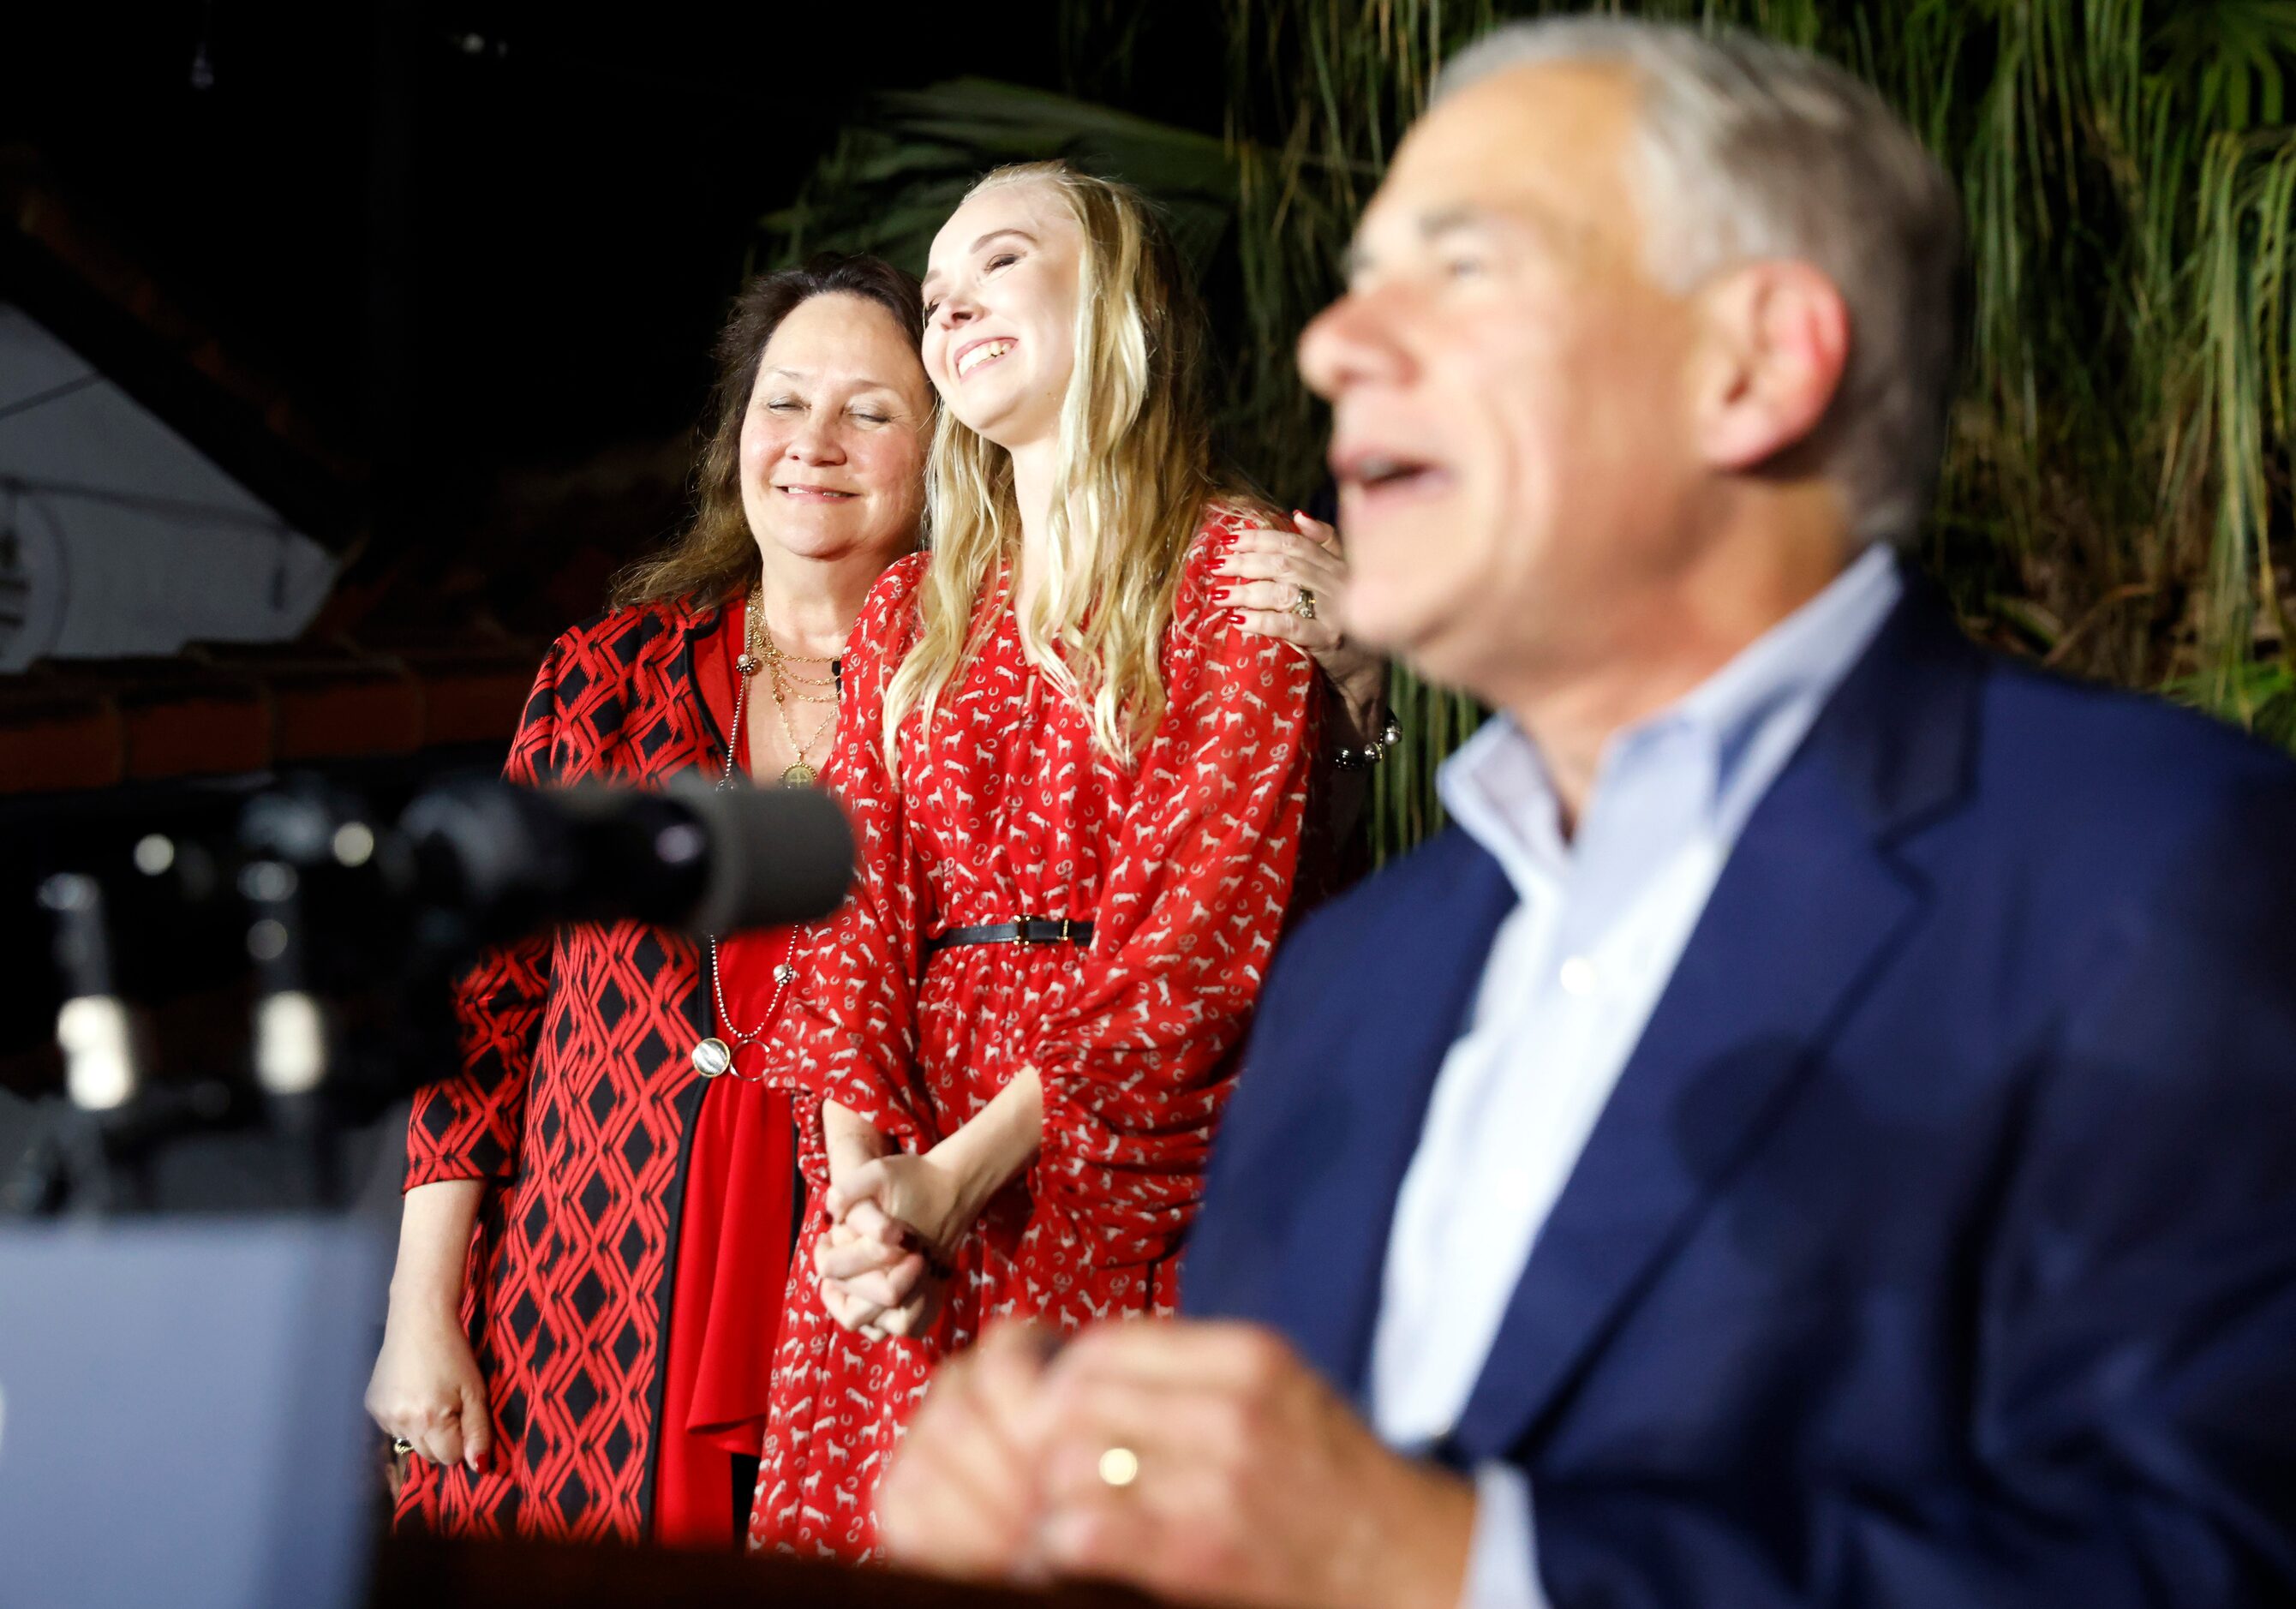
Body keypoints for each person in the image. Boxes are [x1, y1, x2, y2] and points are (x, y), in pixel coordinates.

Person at [876, 19, 2296, 1608]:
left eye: (1462, 271)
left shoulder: (2157, 873)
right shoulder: (1359, 985)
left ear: (1755, 363)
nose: (1340, 344)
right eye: (1357, 287)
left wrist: (1463, 1567)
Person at [744, 161, 1329, 1562]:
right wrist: (865, 1201)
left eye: (997, 263)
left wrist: (959, 1177)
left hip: (1116, 1171)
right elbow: (850, 913)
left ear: (1116, 304)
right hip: (902, 1207)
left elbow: (1192, 961)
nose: (951, 306)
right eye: (938, 293)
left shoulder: (1231, 580)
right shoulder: (911, 607)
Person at [367, 254, 935, 1546]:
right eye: (784, 402)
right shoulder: (610, 676)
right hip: (574, 1305)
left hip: (848, 1303)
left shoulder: (972, 703)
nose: (815, 445)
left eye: (872, 411)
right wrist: (419, 1306)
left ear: (944, 452)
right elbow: (482, 997)